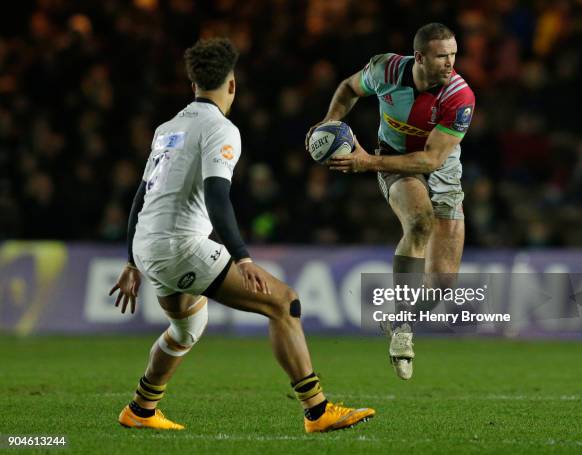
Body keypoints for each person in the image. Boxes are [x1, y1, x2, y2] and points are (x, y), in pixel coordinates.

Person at [109, 37, 374, 432]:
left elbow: (140, 195)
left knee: (188, 326)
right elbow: (218, 197)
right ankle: (317, 411)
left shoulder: (168, 127)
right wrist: (242, 256)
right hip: (180, 247)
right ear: (231, 84)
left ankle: (141, 409)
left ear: (192, 83)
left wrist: (132, 261)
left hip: (148, 245)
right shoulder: (221, 129)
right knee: (284, 304)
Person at [308, 23, 475, 380]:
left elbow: (431, 161)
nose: (451, 63)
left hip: (441, 170)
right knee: (419, 223)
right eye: (442, 56)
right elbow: (349, 88)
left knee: (440, 288)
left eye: (453, 55)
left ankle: (399, 316)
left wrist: (365, 162)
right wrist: (329, 122)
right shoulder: (386, 69)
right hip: (396, 162)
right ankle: (401, 329)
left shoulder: (460, 97)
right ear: (419, 57)